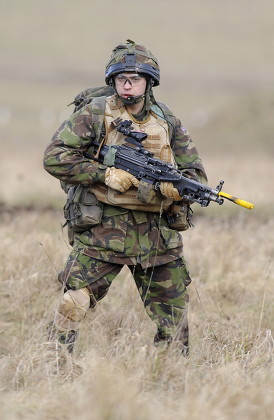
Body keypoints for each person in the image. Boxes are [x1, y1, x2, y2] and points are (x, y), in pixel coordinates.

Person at [43, 40, 207, 355]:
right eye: (121, 79)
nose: (128, 85)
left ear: (149, 82)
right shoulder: (94, 113)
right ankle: (53, 367)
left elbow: (195, 173)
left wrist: (177, 189)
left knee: (174, 317)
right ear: (113, 81)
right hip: (104, 230)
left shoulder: (166, 119)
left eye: (135, 78)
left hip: (157, 234)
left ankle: (171, 375)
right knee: (72, 304)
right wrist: (101, 174)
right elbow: (55, 157)